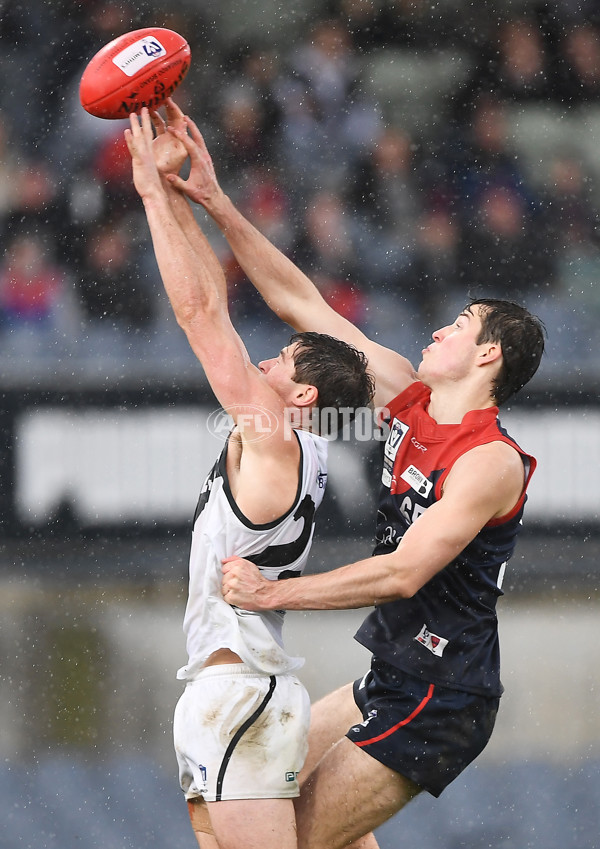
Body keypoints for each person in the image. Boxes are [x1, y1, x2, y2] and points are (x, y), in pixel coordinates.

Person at [160, 109, 546, 849]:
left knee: (286, 838)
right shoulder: (407, 393)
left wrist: (275, 593)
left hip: (442, 694)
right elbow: (301, 302)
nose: (439, 330)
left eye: (460, 324)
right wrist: (215, 201)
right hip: (391, 677)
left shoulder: (488, 459)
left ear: (490, 355)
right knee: (232, 805)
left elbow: (403, 573)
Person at [124, 104, 375, 849]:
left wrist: (147, 190)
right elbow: (220, 312)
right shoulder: (309, 444)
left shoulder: (271, 435)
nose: (266, 362)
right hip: (255, 693)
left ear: (301, 397)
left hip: (234, 695)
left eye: (284, 363)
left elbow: (201, 314)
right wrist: (179, 195)